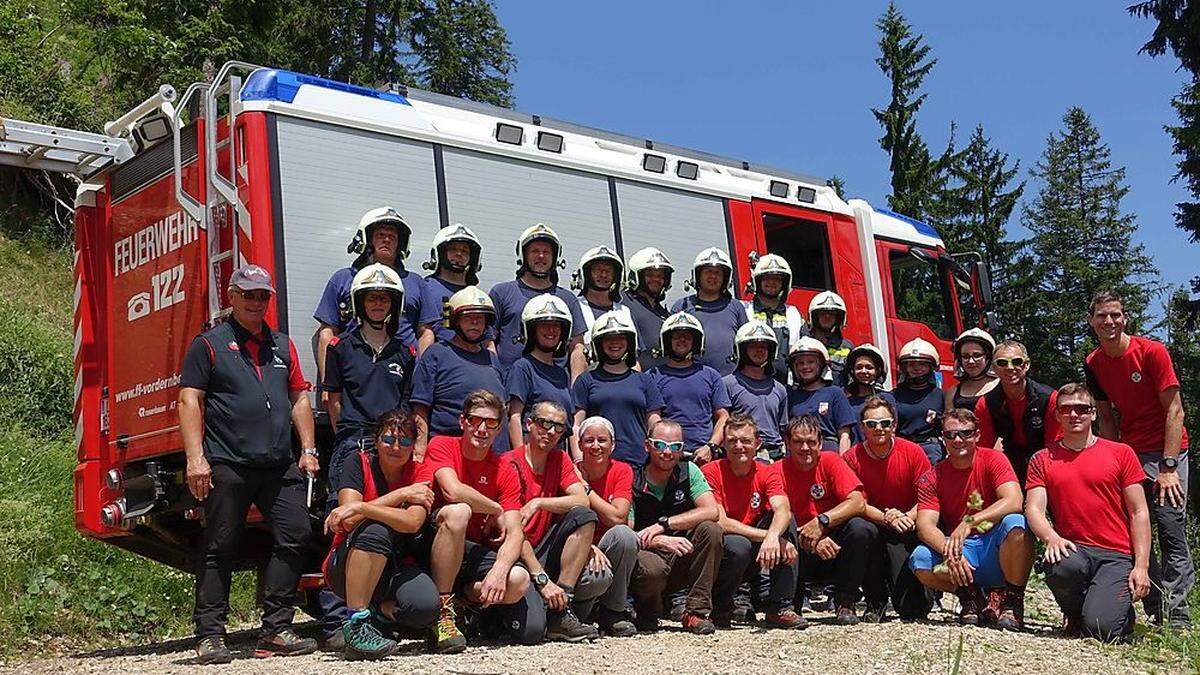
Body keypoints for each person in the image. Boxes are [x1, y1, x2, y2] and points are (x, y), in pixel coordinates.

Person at [179, 265, 319, 663]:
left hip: (279, 462)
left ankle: (276, 629)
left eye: (263, 296)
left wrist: (308, 448)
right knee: (220, 546)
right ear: (232, 296)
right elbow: (190, 400)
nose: (257, 302)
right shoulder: (208, 345)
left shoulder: (282, 345)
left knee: (295, 533)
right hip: (228, 462)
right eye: (249, 295)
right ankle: (209, 635)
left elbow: (299, 399)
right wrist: (195, 459)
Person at [317, 263, 415, 647]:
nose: (378, 304)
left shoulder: (404, 352)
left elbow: (405, 406)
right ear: (360, 302)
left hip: (392, 447)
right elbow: (334, 401)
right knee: (345, 526)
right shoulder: (340, 347)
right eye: (372, 297)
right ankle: (336, 623)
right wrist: (351, 441)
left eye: (384, 298)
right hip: (353, 446)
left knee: (385, 526)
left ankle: (373, 616)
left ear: (393, 305)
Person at [1084, 290, 1193, 628]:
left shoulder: (1151, 352)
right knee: (1135, 531)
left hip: (1167, 451)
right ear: (1092, 322)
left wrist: (1169, 466)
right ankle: (1156, 607)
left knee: (1170, 528)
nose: (1109, 321)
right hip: (1130, 452)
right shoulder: (1094, 362)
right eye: (1102, 316)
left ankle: (1178, 616)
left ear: (1125, 318)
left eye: (1115, 315)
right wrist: (1112, 461)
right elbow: (1105, 417)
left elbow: (1175, 410)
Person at [1024, 383, 1151, 643]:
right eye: (1066, 409)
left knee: (1103, 632)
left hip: (1115, 554)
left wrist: (1141, 565)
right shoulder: (1042, 458)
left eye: (1081, 409)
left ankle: (1112, 615)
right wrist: (1051, 537)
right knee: (1060, 565)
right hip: (1074, 549)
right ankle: (1074, 615)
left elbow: (1139, 512)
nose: (1074, 415)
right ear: (1057, 415)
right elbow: (1033, 508)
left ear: (1093, 413)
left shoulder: (1121, 453)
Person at [420, 390, 542, 649]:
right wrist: (495, 508)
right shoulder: (441, 445)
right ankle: (442, 613)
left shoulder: (504, 469)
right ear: (462, 421)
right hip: (433, 542)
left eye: (491, 423)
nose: (482, 429)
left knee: (517, 580)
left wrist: (499, 571)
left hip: (472, 551)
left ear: (499, 429)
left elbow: (515, 531)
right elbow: (452, 491)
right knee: (459, 510)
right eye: (475, 420)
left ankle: (464, 600)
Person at [321, 409, 438, 659]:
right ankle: (356, 625)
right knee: (375, 528)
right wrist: (400, 495)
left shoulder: (421, 471)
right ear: (376, 441)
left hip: (394, 566)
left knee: (425, 607)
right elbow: (349, 521)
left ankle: (377, 615)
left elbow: (412, 523)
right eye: (388, 439)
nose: (396, 446)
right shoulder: (357, 462)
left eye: (405, 441)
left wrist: (363, 506)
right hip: (346, 564)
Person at [908, 408, 1033, 630]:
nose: (958, 440)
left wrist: (970, 521)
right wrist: (950, 551)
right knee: (920, 560)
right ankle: (971, 596)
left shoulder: (994, 459)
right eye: (950, 434)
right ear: (942, 438)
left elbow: (1014, 500)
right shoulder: (932, 477)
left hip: (995, 544)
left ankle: (1012, 600)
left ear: (977, 435)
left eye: (965, 433)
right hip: (963, 550)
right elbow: (925, 526)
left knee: (1017, 524)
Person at [501, 401, 604, 642]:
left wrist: (539, 502)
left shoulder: (560, 459)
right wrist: (542, 579)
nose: (551, 432)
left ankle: (561, 611)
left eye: (558, 427)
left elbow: (582, 500)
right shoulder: (508, 463)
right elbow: (514, 532)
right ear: (529, 424)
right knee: (532, 632)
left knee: (584, 517)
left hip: (544, 546)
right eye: (544, 423)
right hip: (515, 552)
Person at [704, 415, 802, 629]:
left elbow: (782, 508)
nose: (739, 446)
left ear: (757, 444)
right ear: (724, 444)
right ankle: (721, 607)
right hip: (726, 547)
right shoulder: (711, 471)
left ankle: (780, 607)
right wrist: (769, 537)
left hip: (758, 549)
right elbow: (720, 521)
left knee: (787, 521)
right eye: (732, 441)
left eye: (745, 441)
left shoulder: (767, 472)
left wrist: (775, 536)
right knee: (739, 545)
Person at [314, 207, 427, 393]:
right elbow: (327, 332)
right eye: (380, 234)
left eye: (393, 237)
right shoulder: (342, 279)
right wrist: (329, 385)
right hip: (355, 375)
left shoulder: (416, 283)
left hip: (402, 373)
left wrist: (420, 376)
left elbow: (426, 333)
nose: (387, 239)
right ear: (367, 239)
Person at [774, 415, 872, 625]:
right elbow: (773, 518)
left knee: (860, 527)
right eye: (798, 442)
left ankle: (846, 601)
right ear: (787, 444)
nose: (805, 448)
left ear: (820, 443)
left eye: (811, 441)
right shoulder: (776, 470)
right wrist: (812, 539)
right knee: (784, 525)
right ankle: (786, 605)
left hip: (833, 548)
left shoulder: (831, 461)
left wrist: (822, 522)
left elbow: (857, 503)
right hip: (797, 550)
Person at [628, 419, 724, 634]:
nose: (667, 453)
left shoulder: (689, 471)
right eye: (660, 445)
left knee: (711, 529)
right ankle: (647, 610)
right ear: (647, 445)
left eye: (675, 447)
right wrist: (658, 539)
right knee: (653, 569)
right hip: (647, 554)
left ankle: (696, 612)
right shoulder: (633, 478)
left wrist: (665, 525)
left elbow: (711, 511)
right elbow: (626, 532)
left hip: (682, 554)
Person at [843, 396, 933, 622]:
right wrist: (886, 518)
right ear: (862, 427)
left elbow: (929, 495)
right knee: (859, 530)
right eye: (871, 424)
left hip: (906, 524)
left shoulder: (913, 452)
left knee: (914, 609)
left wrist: (905, 517)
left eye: (885, 423)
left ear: (894, 425)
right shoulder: (851, 458)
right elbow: (855, 503)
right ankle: (875, 599)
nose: (879, 429)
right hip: (872, 524)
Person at [410, 286, 505, 458]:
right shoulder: (437, 353)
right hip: (447, 452)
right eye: (468, 317)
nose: (475, 323)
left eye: (480, 318)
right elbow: (420, 407)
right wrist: (420, 448)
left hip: (489, 455)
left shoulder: (492, 359)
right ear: (455, 321)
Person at [489, 223, 588, 378]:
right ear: (523, 255)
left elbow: (577, 347)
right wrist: (494, 380)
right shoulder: (501, 293)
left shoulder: (568, 299)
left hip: (556, 387)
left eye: (546, 252)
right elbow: (489, 342)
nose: (541, 256)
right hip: (509, 384)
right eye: (535, 251)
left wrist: (576, 388)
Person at [575, 416, 641, 637]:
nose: (595, 446)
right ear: (579, 444)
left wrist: (586, 491)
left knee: (624, 535)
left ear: (612, 445)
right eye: (589, 440)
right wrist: (588, 547)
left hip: (609, 546)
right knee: (595, 579)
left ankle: (613, 612)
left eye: (602, 440)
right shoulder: (569, 470)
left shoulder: (622, 470)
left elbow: (618, 518)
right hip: (576, 549)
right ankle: (575, 614)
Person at [571, 310, 663, 465]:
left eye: (621, 338)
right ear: (598, 343)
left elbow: (655, 424)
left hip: (639, 463)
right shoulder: (586, 380)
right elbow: (576, 425)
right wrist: (579, 459)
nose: (615, 343)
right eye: (608, 339)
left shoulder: (645, 380)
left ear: (629, 342)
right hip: (597, 464)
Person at [974, 340, 1059, 484]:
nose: (1010, 367)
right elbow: (983, 451)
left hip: (1045, 461)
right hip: (1009, 463)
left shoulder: (1050, 398)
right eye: (1002, 363)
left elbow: (1054, 448)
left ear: (1026, 365)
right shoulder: (985, 404)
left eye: (1017, 361)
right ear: (994, 368)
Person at [649, 312, 731, 463]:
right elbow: (653, 416)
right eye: (676, 336)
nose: (682, 340)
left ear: (696, 341)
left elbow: (723, 416)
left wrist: (711, 446)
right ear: (667, 340)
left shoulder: (711, 375)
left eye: (687, 336)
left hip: (704, 456)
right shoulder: (653, 375)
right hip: (667, 456)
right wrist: (666, 447)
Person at [507, 295, 574, 450]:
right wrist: (520, 460)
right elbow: (515, 417)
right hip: (531, 455)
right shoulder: (523, 367)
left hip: (555, 457)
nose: (551, 330)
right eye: (544, 325)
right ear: (532, 330)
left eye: (556, 326)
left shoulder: (562, 374)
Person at [671, 247, 748, 376]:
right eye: (708, 271)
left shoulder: (736, 307)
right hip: (692, 380)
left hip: (730, 381)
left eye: (718, 272)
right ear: (698, 275)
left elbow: (747, 345)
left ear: (725, 277)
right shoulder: (681, 307)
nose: (713, 276)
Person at [723, 321, 789, 459]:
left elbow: (783, 429)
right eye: (753, 346)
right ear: (742, 349)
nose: (759, 350)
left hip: (774, 453)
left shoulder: (779, 389)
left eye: (764, 347)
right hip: (742, 453)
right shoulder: (728, 384)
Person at [418, 223, 484, 351]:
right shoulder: (425, 288)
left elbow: (487, 341)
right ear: (440, 253)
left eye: (465, 251)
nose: (459, 254)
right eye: (453, 249)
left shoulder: (476, 295)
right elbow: (424, 333)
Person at [740, 253, 806, 384]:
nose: (772, 283)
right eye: (767, 278)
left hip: (787, 387)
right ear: (757, 281)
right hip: (749, 384)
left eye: (777, 279)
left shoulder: (794, 314)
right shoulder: (743, 310)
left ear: (784, 283)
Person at [786, 337, 854, 453]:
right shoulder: (792, 396)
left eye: (810, 362)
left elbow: (844, 435)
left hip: (829, 454)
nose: (805, 367)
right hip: (800, 455)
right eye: (800, 363)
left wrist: (842, 463)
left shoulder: (835, 393)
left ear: (822, 364)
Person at [891, 337, 945, 464]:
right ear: (904, 368)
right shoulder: (894, 395)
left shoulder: (941, 395)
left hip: (931, 450)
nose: (916, 368)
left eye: (922, 364)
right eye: (911, 364)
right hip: (901, 448)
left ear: (931, 367)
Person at [622, 246, 674, 371]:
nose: (656, 279)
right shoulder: (623, 302)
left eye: (660, 276)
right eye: (650, 275)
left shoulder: (663, 313)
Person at [843, 343, 896, 444]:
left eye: (869, 367)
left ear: (878, 370)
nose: (864, 371)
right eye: (859, 367)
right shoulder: (845, 401)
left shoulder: (887, 399)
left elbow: (892, 432)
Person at [801, 291, 854, 386]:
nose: (827, 316)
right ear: (815, 316)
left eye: (832, 313)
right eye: (823, 313)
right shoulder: (802, 345)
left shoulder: (847, 347)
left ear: (838, 318)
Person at [572, 245, 627, 333]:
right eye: (598, 270)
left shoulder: (624, 312)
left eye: (608, 271)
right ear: (587, 273)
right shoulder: (574, 308)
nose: (603, 275)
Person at [945, 328, 999, 411]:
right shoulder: (952, 392)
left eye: (977, 355)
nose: (971, 361)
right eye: (965, 356)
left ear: (988, 358)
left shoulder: (1001, 386)